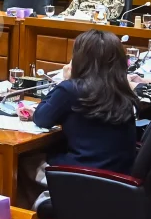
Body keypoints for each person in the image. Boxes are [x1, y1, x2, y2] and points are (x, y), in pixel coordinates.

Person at [33, 29, 139, 176]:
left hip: (84, 175)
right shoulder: (123, 88)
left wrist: (65, 81)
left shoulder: (71, 89)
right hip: (120, 178)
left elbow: (41, 118)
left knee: (26, 162)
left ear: (80, 59)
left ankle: (52, 192)